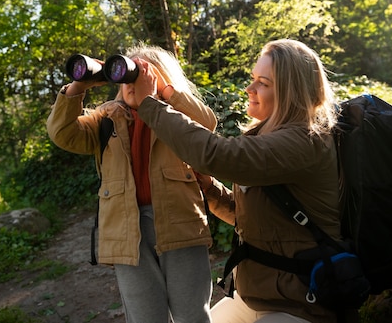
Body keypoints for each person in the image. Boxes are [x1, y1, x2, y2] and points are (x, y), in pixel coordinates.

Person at [132, 39, 344, 323]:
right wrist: (210, 189)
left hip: (301, 304)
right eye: (253, 79)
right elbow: (246, 216)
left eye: (263, 83)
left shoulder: (304, 140)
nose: (250, 89)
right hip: (254, 297)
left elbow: (216, 155)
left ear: (291, 92)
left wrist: (150, 104)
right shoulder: (265, 136)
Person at [46, 44, 217, 323]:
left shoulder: (177, 118)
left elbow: (207, 124)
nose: (132, 83)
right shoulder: (106, 119)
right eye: (127, 74)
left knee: (192, 316)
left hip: (180, 224)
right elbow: (62, 134)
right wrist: (78, 87)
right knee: (145, 318)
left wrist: (163, 94)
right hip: (126, 233)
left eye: (141, 75)